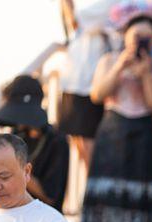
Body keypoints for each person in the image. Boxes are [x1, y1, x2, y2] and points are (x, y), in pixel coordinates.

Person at [76, 2, 152, 222]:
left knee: (140, 197)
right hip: (113, 129)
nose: (141, 42)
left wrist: (146, 75)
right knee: (105, 196)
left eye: (147, 38)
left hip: (144, 132)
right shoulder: (109, 60)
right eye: (136, 36)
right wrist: (120, 65)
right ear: (125, 36)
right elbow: (97, 94)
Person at [0, 75, 70, 212]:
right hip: (14, 214)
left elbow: (50, 196)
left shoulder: (56, 141)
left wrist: (16, 168)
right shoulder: (18, 133)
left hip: (43, 216)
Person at [58, 0, 111, 172]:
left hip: (88, 82)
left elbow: (74, 20)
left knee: (87, 141)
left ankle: (94, 183)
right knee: (78, 139)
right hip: (76, 80)